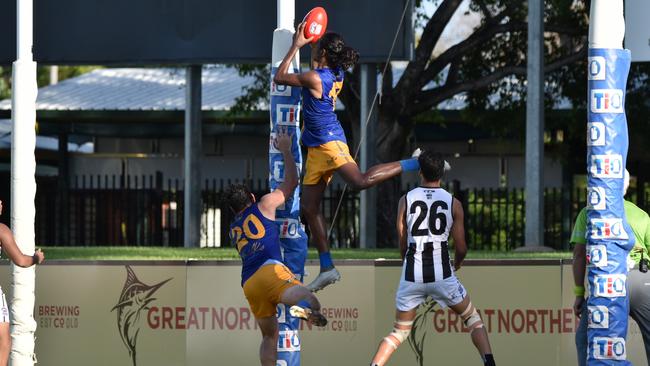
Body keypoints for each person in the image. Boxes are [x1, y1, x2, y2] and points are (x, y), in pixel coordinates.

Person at [273, 23, 421, 292]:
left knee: (360, 181)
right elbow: (314, 66)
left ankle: (414, 163)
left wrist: (296, 44)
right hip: (316, 149)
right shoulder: (332, 71)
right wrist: (309, 41)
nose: (313, 45)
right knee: (309, 207)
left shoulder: (316, 78)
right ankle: (327, 267)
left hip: (331, 143)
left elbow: (280, 77)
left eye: (317, 45)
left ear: (325, 53)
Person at [370, 150, 496, 366]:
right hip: (443, 276)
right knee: (473, 320)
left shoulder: (405, 200)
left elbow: (402, 239)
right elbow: (462, 247)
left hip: (412, 275)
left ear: (419, 172)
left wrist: (406, 261)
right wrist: (457, 264)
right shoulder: (453, 202)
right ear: (442, 173)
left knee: (398, 333)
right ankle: (490, 363)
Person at [225, 130, 327, 366]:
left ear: (232, 210)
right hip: (270, 272)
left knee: (269, 336)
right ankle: (302, 310)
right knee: (311, 301)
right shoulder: (263, 204)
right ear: (251, 197)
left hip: (249, 283)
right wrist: (285, 150)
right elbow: (291, 183)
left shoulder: (233, 228)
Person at [572, 171, 650, 365]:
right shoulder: (642, 215)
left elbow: (579, 255)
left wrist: (579, 293)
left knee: (586, 340)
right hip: (642, 278)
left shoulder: (589, 213)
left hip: (608, 282)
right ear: (625, 187)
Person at [0, 200, 45, 366]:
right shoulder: (1, 230)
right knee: (3, 341)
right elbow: (21, 261)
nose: (1, 203)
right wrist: (36, 258)